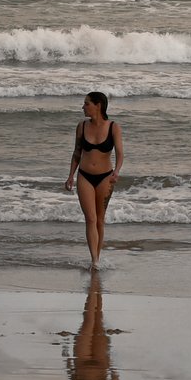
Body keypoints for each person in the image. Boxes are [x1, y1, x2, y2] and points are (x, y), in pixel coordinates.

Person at [61, 90, 123, 266]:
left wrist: (116, 171)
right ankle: (94, 261)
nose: (83, 107)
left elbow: (120, 153)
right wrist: (70, 175)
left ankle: (98, 255)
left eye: (86, 103)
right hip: (84, 176)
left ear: (98, 105)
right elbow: (76, 153)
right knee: (90, 219)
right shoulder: (81, 126)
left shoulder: (113, 127)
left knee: (100, 220)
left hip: (105, 177)